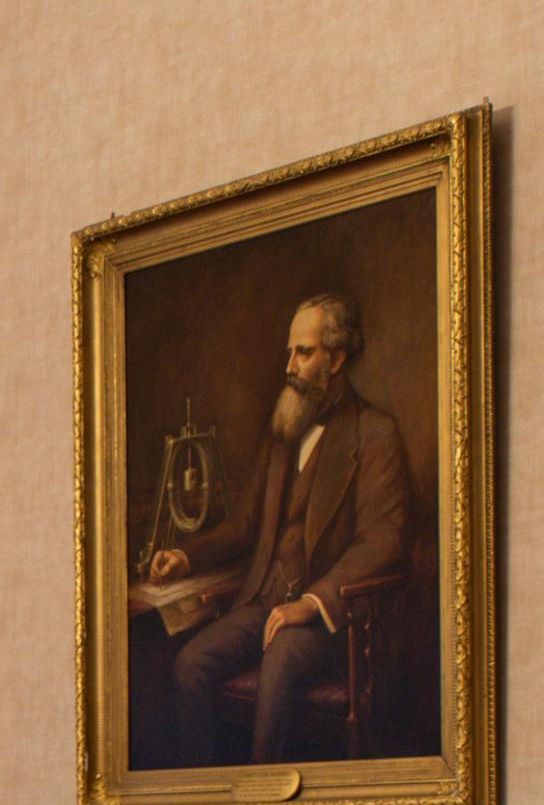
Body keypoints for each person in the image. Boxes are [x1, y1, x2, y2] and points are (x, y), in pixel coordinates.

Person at [152, 294, 409, 767]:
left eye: (303, 353)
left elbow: (384, 539)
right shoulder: (282, 429)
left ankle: (263, 799)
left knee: (282, 662)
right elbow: (245, 524)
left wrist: (311, 603)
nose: (289, 365)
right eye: (289, 352)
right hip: (262, 601)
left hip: (328, 618)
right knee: (189, 664)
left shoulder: (375, 434)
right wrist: (186, 556)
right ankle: (200, 803)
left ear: (336, 359)